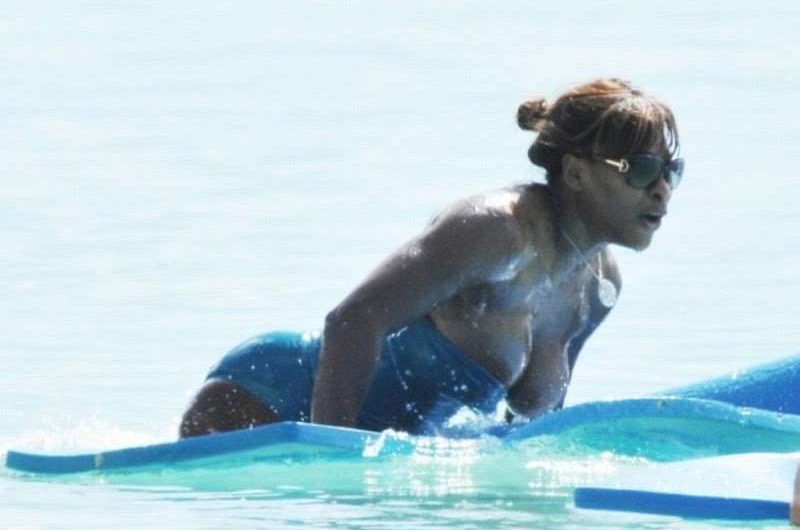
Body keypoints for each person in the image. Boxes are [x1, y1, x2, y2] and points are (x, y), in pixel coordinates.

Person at [179, 78, 683, 438]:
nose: (661, 189)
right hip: (264, 400)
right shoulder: (495, 230)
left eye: (671, 170)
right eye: (640, 170)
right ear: (575, 172)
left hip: (382, 446)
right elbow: (352, 321)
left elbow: (531, 427)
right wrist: (330, 465)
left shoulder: (597, 288)